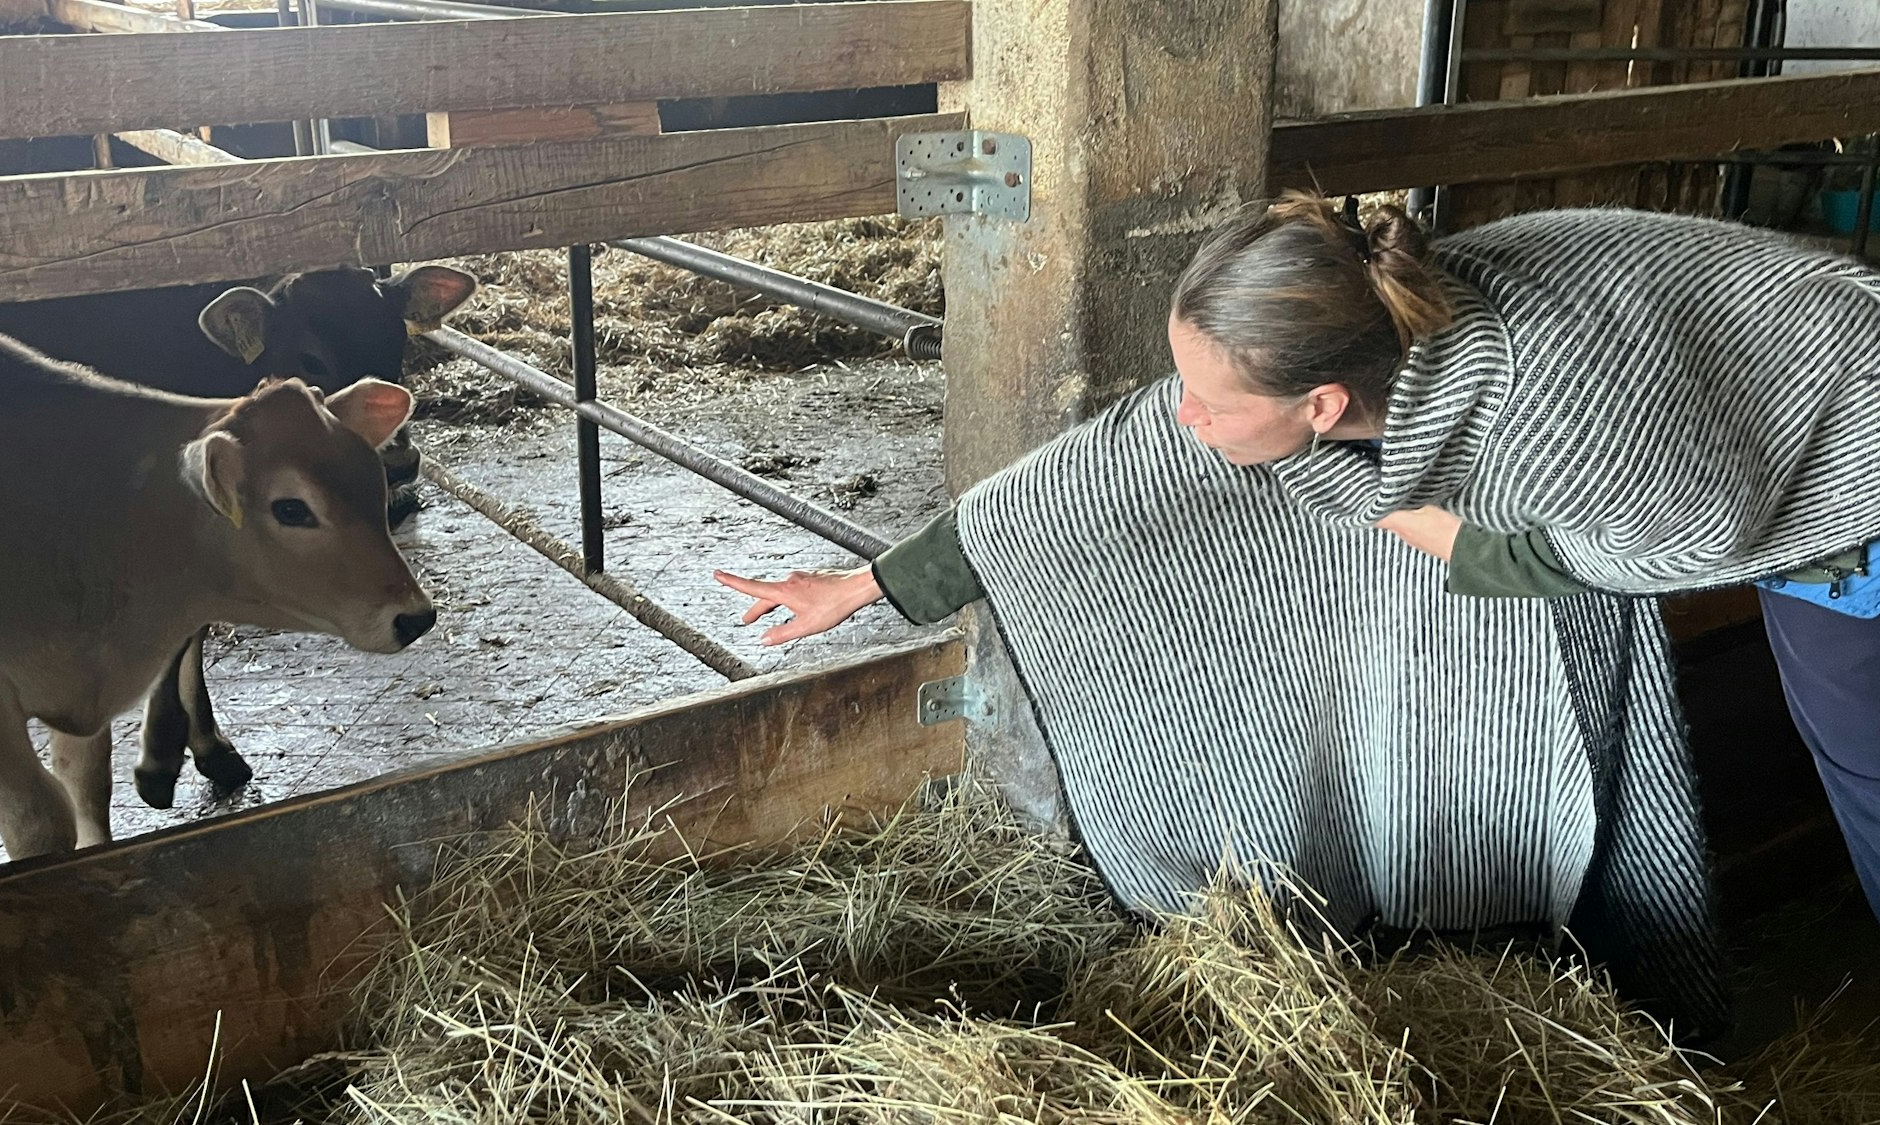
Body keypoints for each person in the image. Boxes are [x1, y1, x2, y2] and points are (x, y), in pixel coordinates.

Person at [715, 194, 1756, 1036]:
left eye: (1210, 404)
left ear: (1321, 408)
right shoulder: (1309, 346)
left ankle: (1589, 976)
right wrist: (863, 586)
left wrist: (1389, 512)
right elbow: (1085, 474)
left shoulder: (1548, 422)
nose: (1183, 417)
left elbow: (1621, 559)